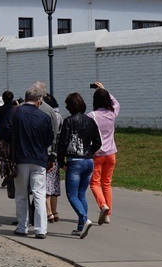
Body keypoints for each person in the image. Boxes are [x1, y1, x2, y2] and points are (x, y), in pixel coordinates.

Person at [11, 83, 55, 239]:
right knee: (39, 193)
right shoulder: (44, 116)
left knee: (21, 194)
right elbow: (49, 139)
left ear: (25, 98)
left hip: (20, 158)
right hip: (39, 159)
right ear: (39, 101)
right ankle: (41, 229)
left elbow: (5, 132)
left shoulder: (16, 113)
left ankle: (22, 226)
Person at [56, 92, 102, 238]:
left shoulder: (68, 121)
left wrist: (60, 161)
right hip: (88, 161)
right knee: (82, 194)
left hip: (74, 161)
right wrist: (89, 152)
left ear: (71, 106)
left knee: (72, 195)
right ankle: (81, 225)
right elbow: (98, 142)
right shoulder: (90, 121)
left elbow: (62, 143)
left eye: (67, 104)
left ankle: (84, 218)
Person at [89, 82, 120, 225]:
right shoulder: (112, 113)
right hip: (111, 153)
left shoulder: (92, 116)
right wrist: (103, 89)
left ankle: (103, 206)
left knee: (94, 183)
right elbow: (115, 102)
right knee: (107, 183)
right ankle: (108, 215)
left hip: (97, 153)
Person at [41, 95, 63, 223]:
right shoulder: (60, 116)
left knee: (45, 185)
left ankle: (48, 212)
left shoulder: (48, 115)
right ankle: (55, 211)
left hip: (48, 153)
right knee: (54, 185)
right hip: (57, 153)